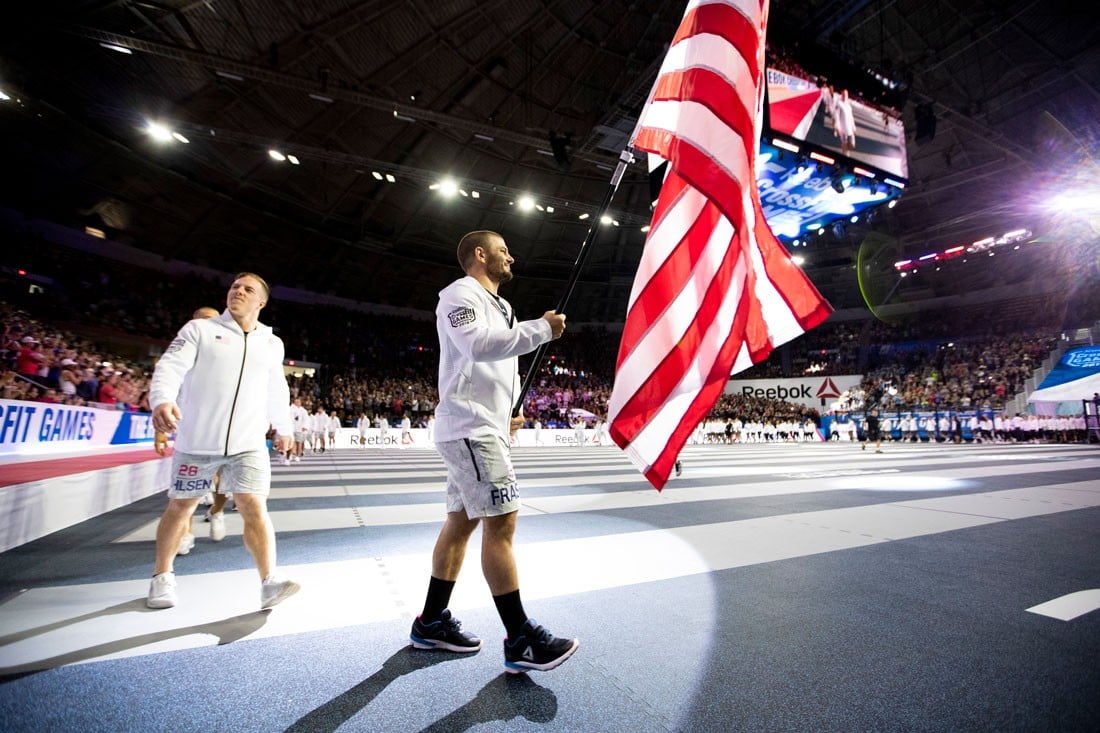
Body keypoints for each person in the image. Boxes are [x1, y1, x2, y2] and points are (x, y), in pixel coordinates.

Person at [410, 230, 577, 674]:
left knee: (460, 524)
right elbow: (478, 347)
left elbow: (497, 366)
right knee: (501, 523)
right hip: (470, 426)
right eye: (504, 250)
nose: (512, 257)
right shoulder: (459, 293)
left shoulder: (503, 307)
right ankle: (521, 637)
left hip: (485, 425)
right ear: (480, 255)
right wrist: (543, 329)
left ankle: (430, 622)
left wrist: (507, 413)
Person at [145, 272, 299, 610]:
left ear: (261, 302)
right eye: (234, 287)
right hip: (198, 440)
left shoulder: (271, 343)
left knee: (254, 506)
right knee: (181, 505)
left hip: (248, 443)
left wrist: (283, 427)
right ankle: (162, 576)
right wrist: (161, 399)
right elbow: (170, 366)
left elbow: (277, 389)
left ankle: (268, 581)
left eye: (247, 290)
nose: (238, 292)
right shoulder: (199, 330)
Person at [153, 306, 231, 551]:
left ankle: (217, 511)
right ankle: (185, 532)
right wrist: (160, 431)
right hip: (190, 434)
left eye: (213, 320)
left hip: (222, 432)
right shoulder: (182, 352)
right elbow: (167, 388)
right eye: (202, 320)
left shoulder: (228, 355)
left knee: (222, 484)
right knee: (184, 493)